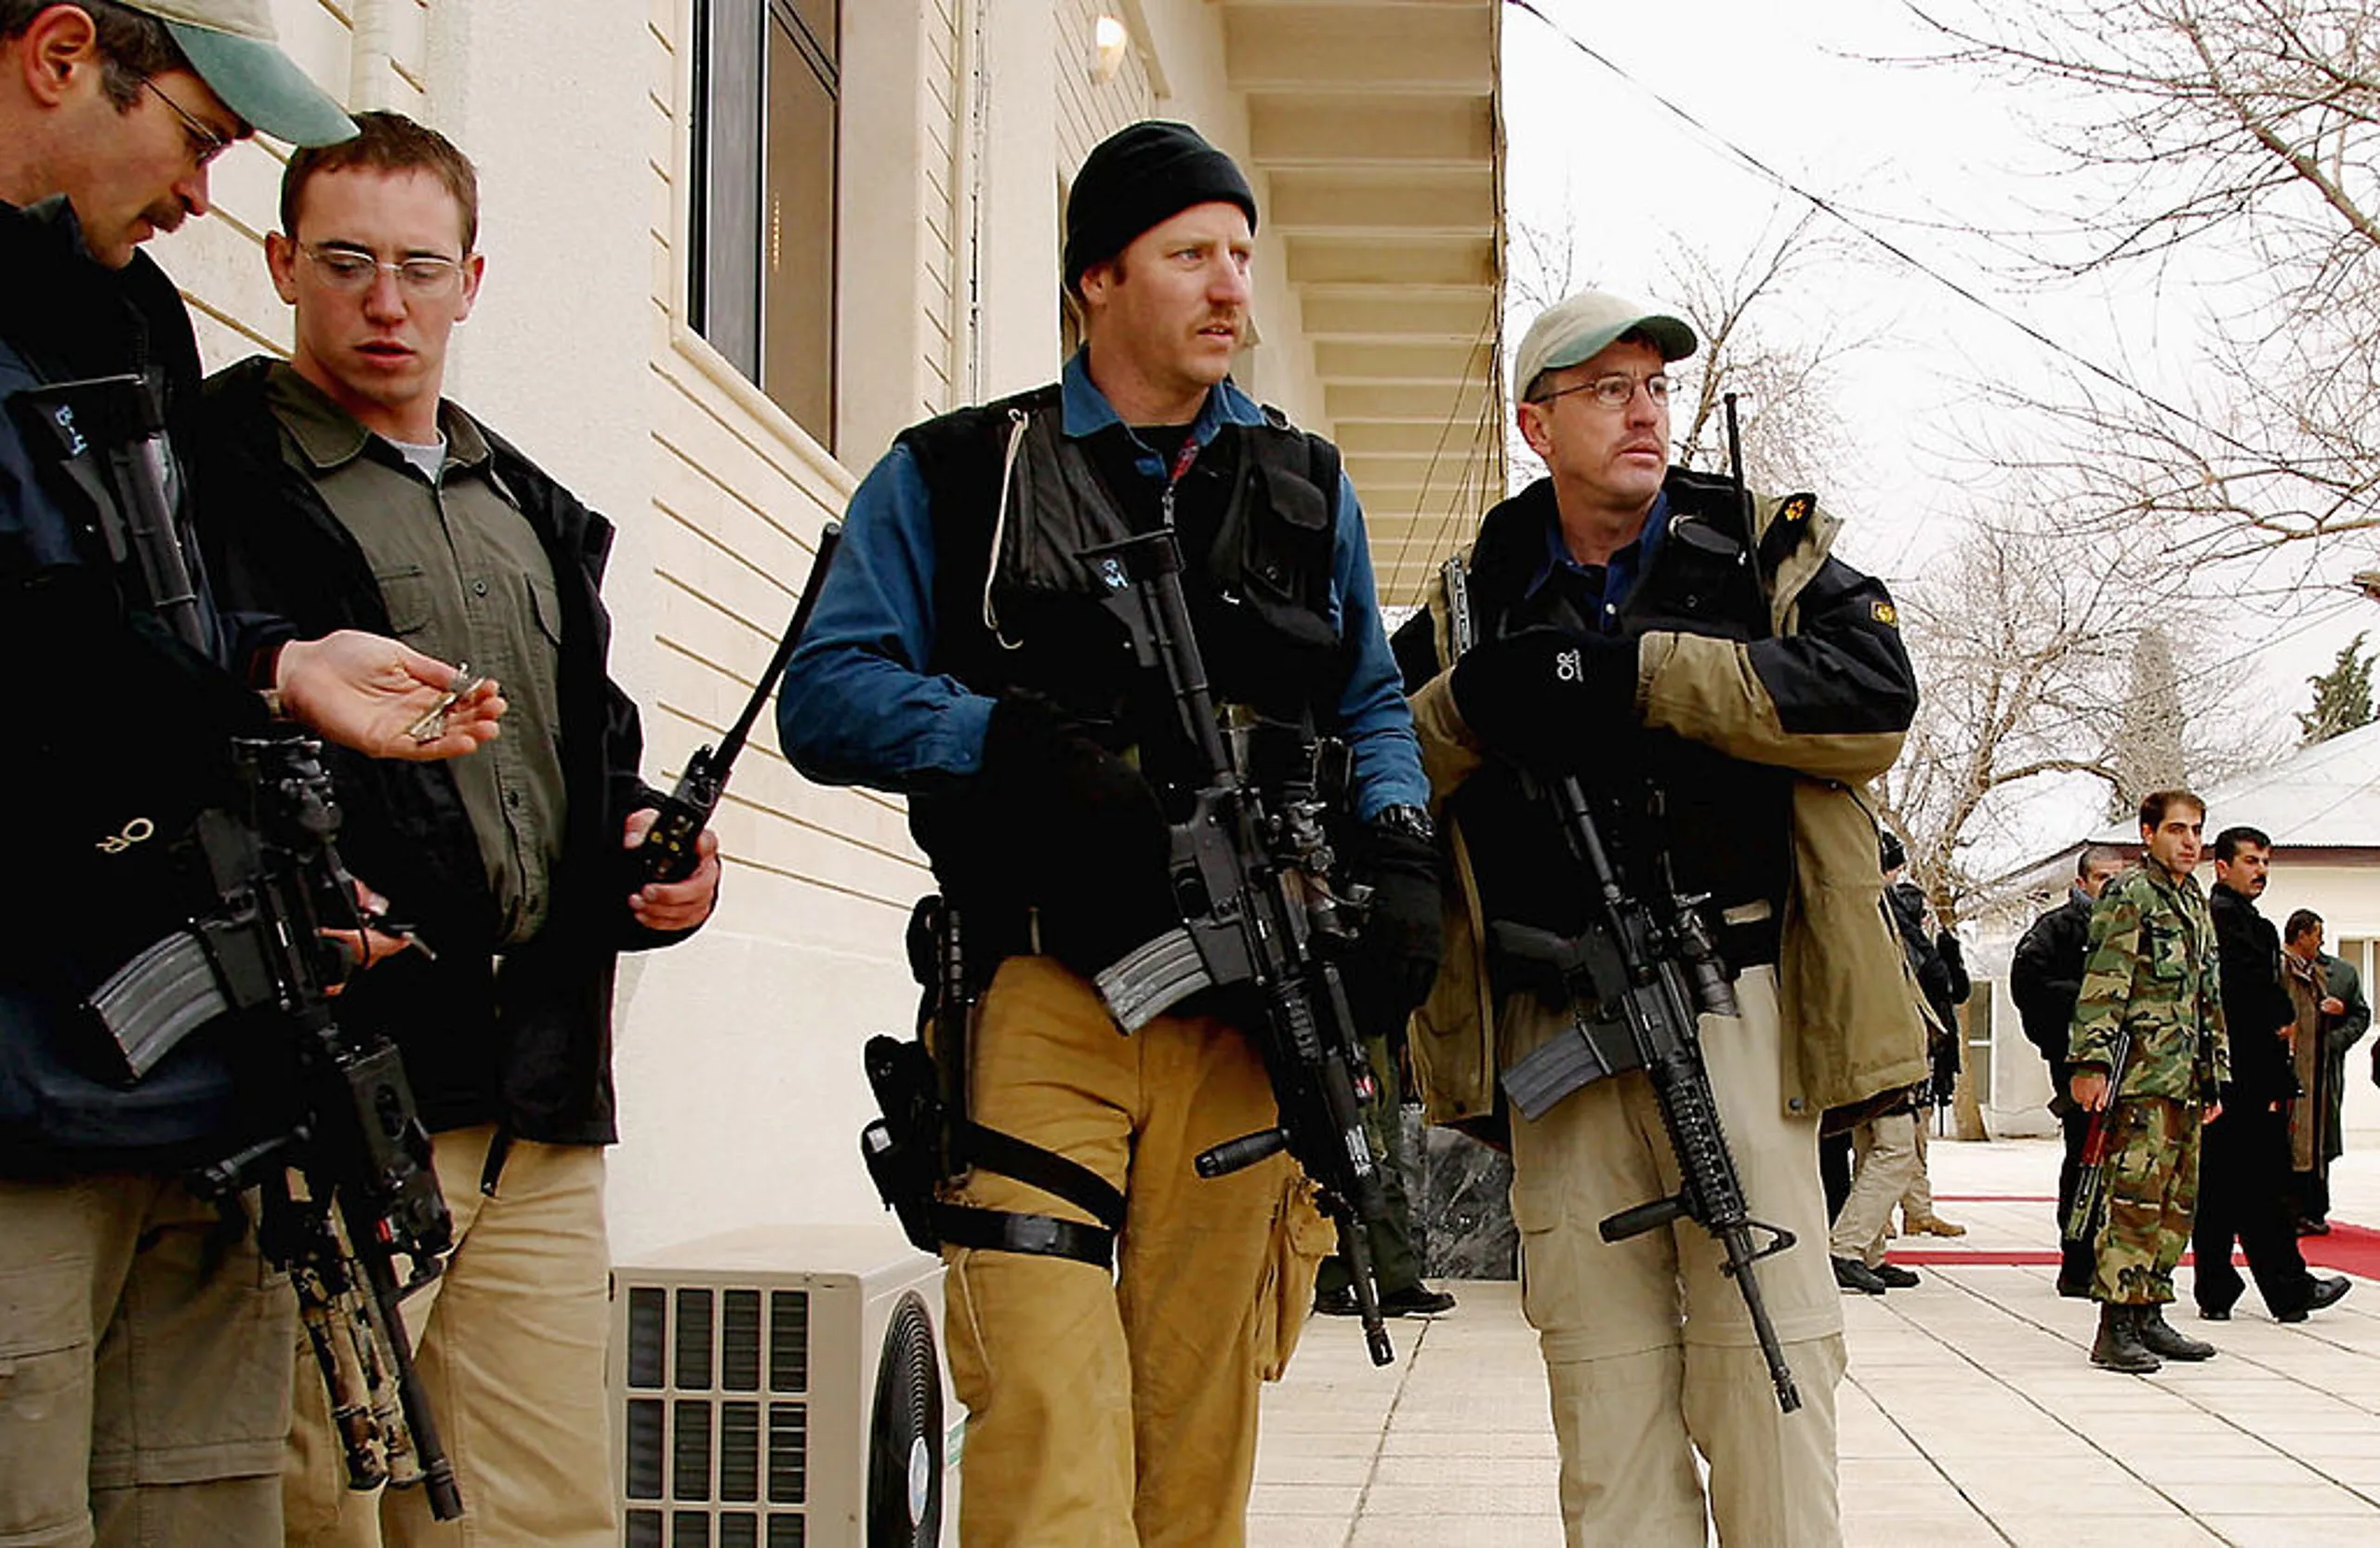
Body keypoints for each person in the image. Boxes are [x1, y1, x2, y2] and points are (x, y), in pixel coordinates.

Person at [776, 119, 1439, 1547]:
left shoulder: (1306, 483)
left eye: (1241, 255)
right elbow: (826, 696)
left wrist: (1398, 849)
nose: (1230, 287)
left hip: (1245, 1012)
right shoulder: (960, 473)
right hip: (1044, 994)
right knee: (1048, 1437)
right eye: (1190, 254)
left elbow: (1370, 702)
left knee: (1191, 1458)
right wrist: (1001, 741)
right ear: (1096, 278)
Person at [0, 7, 504, 1544]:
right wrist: (251, 680)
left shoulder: (129, 314)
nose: (197, 198)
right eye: (199, 139)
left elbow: (172, 625)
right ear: (61, 54)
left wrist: (285, 681)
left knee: (208, 1510)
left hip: (200, 1091)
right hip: (22, 1097)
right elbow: (45, 648)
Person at [192, 112, 721, 1548]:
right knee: (315, 1506)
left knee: (541, 1518)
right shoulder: (211, 474)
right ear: (281, 264)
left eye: (421, 267)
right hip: (338, 1105)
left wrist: (661, 854)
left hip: (540, 1104)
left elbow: (588, 755)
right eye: (347, 262)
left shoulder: (531, 508)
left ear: (471, 282)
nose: (387, 301)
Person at [1391, 287, 1924, 1546]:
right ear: (1536, 425)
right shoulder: (1476, 602)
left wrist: (1648, 673)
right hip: (1556, 1026)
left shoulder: (1757, 558)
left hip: (1735, 999)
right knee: (1603, 1385)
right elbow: (1377, 763)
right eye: (1606, 390)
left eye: (1655, 387)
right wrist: (1467, 708)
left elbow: (1872, 699)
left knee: (1767, 1362)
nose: (1643, 412)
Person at [2066, 791, 2226, 1373]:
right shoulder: (2130, 893)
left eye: (2197, 830)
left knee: (2175, 1202)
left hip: (2184, 1079)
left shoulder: (2193, 900)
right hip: (2139, 1075)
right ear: (2148, 833)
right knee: (2133, 1199)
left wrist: (2214, 1075)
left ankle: (2149, 1311)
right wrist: (2091, 1064)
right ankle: (2115, 1325)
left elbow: (2208, 996)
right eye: (2178, 830)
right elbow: (2105, 981)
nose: (2190, 841)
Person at [2193, 827, 2347, 1323]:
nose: (2260, 871)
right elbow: (2243, 991)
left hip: (2229, 1072)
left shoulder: (2232, 920)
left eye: (2265, 862)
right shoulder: (2231, 923)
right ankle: (2288, 1288)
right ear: (2223, 867)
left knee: (2220, 1185)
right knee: (2264, 1185)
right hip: (2244, 1072)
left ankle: (2217, 1287)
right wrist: (2281, 1015)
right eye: (2250, 861)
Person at [2011, 843, 2127, 1296]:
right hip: (2078, 1060)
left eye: (2118, 878)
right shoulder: (2056, 930)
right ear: (2082, 883)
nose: (2112, 887)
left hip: (2133, 1060)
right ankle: (2077, 1261)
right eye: (2103, 879)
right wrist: (2082, 1011)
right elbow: (2030, 986)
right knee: (2085, 1155)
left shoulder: (2133, 926)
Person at [1311, 1025, 1458, 1319]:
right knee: (1364, 1165)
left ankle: (1389, 1282)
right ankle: (1343, 1278)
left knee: (1383, 1166)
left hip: (1376, 1042)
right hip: (1341, 1043)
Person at [1882, 833, 1970, 1238]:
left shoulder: (1931, 945)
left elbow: (1957, 990)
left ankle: (1915, 1209)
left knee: (1913, 1137)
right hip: (1901, 1045)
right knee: (1895, 1140)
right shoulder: (1896, 932)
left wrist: (1948, 951)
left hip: (1929, 1051)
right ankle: (1882, 1217)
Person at [2280, 909, 2348, 1233]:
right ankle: (2288, 1214)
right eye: (2317, 934)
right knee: (2290, 1143)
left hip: (2316, 1070)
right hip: (2290, 1070)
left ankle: (2309, 1210)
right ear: (2301, 935)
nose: (2321, 941)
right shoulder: (2281, 968)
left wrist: (2337, 1015)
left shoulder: (2318, 972)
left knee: (2311, 1144)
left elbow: (2357, 1016)